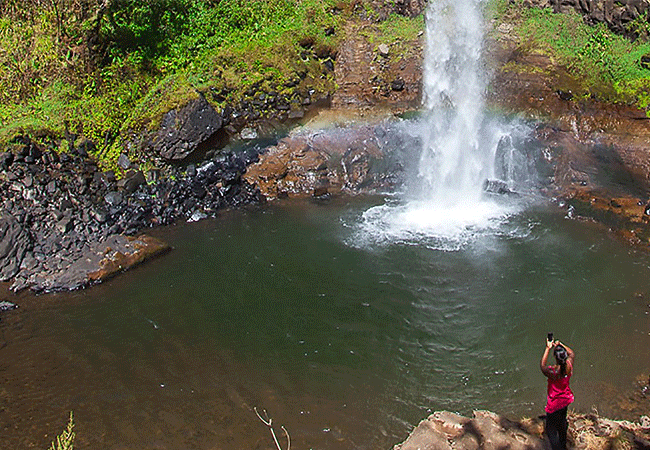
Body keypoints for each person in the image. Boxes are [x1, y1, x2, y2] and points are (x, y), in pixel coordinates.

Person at [540, 338, 575, 450]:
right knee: (562, 423)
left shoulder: (552, 372)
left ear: (555, 357)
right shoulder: (568, 366)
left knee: (551, 431)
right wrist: (561, 345)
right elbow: (572, 353)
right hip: (565, 400)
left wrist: (548, 348)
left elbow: (542, 366)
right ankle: (563, 445)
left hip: (554, 404)